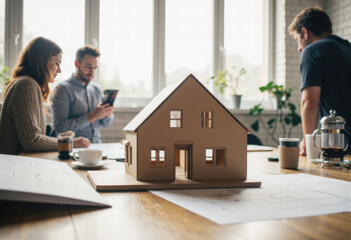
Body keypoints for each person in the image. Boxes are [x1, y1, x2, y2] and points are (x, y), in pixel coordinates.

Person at [0, 37, 90, 155]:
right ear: (41, 60)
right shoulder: (26, 85)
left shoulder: (28, 84)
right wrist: (70, 142)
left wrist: (56, 133)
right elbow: (32, 141)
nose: (59, 70)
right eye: (57, 63)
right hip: (15, 166)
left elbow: (30, 133)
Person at [288, 6, 351, 156]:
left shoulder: (313, 51)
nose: (299, 48)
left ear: (305, 32)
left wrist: (308, 144)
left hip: (341, 146)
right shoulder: (348, 48)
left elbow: (309, 102)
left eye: (297, 40)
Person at [51, 45, 114, 143]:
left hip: (98, 147)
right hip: (75, 149)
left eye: (95, 68)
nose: (92, 72)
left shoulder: (96, 89)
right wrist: (93, 116)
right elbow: (60, 129)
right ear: (77, 64)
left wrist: (108, 114)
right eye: (88, 66)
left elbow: (106, 124)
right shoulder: (63, 89)